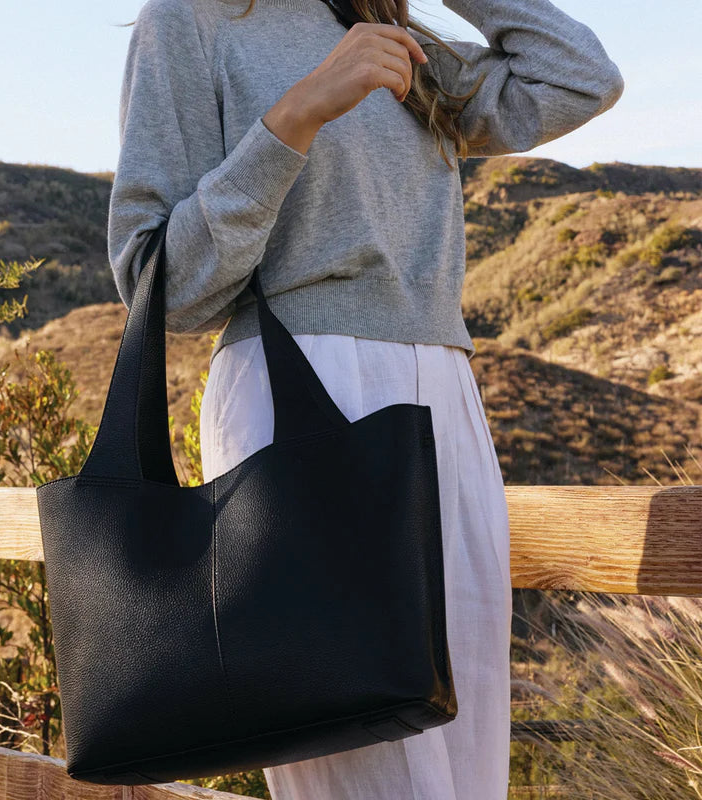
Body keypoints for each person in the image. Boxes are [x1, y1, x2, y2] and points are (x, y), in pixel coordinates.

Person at [107, 0, 624, 795]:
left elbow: (581, 78)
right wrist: (295, 117)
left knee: (465, 757)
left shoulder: (395, 36)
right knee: (362, 755)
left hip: (445, 394)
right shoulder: (191, 20)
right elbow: (160, 289)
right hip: (300, 385)